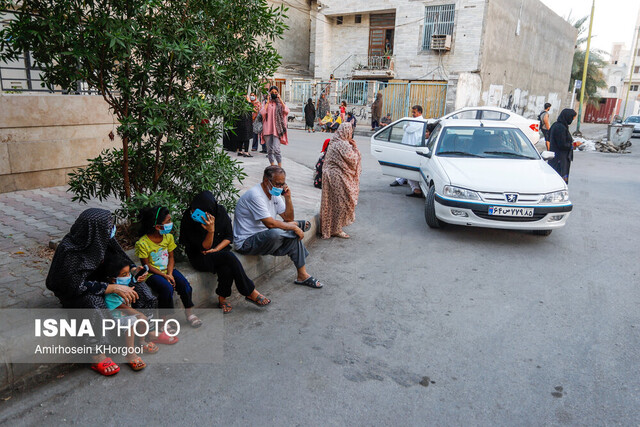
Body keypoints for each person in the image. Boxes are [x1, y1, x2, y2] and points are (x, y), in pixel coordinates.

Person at [45, 208, 158, 376]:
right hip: (77, 292)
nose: (112, 229)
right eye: (108, 226)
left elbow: (121, 260)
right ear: (94, 229)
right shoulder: (69, 251)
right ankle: (98, 354)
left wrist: (133, 271)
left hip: (108, 280)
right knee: (94, 303)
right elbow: (73, 286)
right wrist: (110, 288)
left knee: (141, 289)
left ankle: (145, 334)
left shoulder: (105, 240)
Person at [180, 191, 270, 314]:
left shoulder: (220, 212)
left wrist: (217, 249)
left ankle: (222, 299)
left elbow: (228, 236)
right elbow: (205, 248)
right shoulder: (189, 219)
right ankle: (249, 292)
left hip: (219, 251)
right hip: (200, 256)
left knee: (227, 265)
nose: (197, 214)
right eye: (195, 209)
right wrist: (210, 231)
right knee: (228, 257)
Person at [234, 166, 323, 289]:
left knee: (291, 236)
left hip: (266, 237)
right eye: (278, 184)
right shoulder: (255, 195)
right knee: (278, 232)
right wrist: (294, 227)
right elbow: (270, 224)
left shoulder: (274, 193)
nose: (280, 187)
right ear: (266, 181)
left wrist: (288, 198)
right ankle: (296, 226)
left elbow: (288, 218)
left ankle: (302, 275)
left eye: (283, 184)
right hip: (247, 242)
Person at [136, 206, 201, 330]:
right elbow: (146, 266)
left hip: (168, 270)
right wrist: (164, 276)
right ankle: (163, 322)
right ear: (157, 226)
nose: (171, 224)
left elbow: (171, 258)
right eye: (168, 222)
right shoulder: (142, 243)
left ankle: (189, 313)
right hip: (152, 274)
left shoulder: (168, 237)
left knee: (185, 285)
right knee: (166, 288)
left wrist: (170, 273)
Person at [103, 257, 157, 371]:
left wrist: (138, 272)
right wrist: (138, 314)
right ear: (113, 280)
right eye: (124, 274)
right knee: (131, 321)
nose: (128, 277)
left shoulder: (126, 284)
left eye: (128, 273)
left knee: (142, 318)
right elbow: (122, 307)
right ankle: (130, 354)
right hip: (116, 318)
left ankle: (141, 341)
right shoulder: (111, 295)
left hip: (126, 314)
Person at [320, 122, 362, 239]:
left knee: (330, 203)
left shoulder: (334, 141)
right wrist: (355, 148)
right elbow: (353, 160)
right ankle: (336, 229)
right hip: (337, 177)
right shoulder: (343, 144)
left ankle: (329, 227)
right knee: (341, 203)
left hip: (329, 175)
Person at [390, 105, 425, 197]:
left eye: (414, 112)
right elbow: (405, 126)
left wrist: (407, 126)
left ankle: (413, 187)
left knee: (409, 165)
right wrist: (407, 126)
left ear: (420, 112)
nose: (413, 114)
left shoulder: (420, 121)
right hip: (406, 145)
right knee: (402, 163)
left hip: (413, 146)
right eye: (412, 112)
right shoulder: (412, 120)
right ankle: (400, 180)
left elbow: (409, 129)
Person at [260, 85, 289, 167]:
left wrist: (280, 100)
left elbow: (286, 111)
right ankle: (272, 166)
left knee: (277, 149)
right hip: (267, 129)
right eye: (272, 92)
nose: (274, 94)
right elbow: (262, 112)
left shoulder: (280, 103)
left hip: (277, 129)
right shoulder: (265, 102)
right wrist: (268, 101)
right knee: (269, 150)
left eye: (275, 92)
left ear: (278, 93)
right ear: (269, 93)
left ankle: (279, 167)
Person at [548, 108, 577, 184]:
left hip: (557, 157)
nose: (572, 120)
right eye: (572, 118)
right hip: (560, 159)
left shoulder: (556, 125)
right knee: (559, 180)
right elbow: (562, 144)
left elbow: (548, 137)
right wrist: (574, 145)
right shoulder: (560, 128)